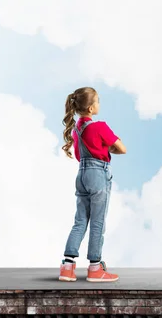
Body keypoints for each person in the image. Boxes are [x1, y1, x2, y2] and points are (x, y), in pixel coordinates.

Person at [58, 87, 127, 282]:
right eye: (97, 101)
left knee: (80, 220)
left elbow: (80, 155)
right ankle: (95, 268)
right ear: (90, 108)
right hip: (98, 173)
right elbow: (122, 149)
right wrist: (108, 146)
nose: (99, 104)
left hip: (81, 174)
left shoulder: (76, 131)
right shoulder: (100, 127)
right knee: (98, 221)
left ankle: (67, 267)